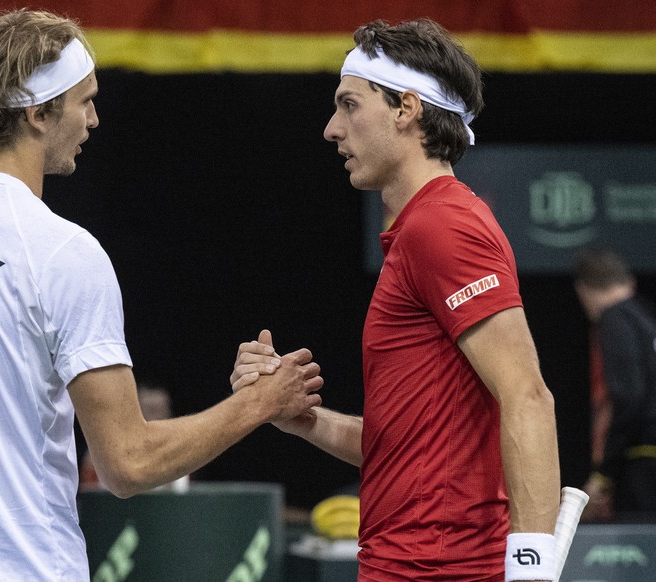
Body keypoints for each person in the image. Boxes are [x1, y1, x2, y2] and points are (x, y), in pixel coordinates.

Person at [0, 9, 322, 581]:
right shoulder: (60, 251)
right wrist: (259, 403)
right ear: (37, 113)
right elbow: (128, 461)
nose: (94, 119)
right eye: (85, 100)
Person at [232, 18, 560, 582]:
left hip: (439, 569)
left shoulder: (445, 226)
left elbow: (528, 396)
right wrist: (300, 419)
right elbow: (407, 450)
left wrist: (531, 568)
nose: (332, 128)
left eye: (349, 104)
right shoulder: (424, 230)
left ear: (406, 109)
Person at [574, 247, 656, 521]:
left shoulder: (615, 319)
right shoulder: (645, 319)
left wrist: (603, 473)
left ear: (584, 290)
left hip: (644, 464)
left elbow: (628, 397)